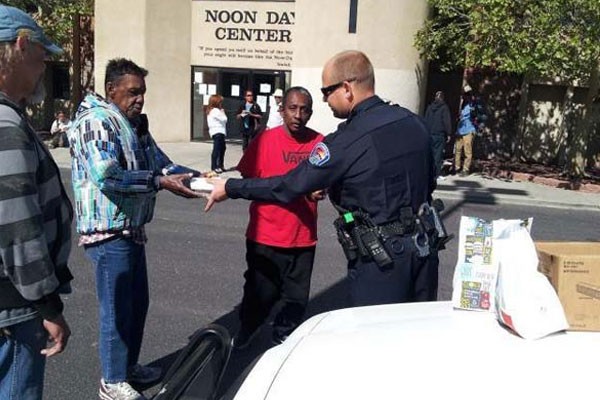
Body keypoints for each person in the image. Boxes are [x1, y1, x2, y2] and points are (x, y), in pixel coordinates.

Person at [206, 50, 440, 308]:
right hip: (425, 254)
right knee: (415, 337)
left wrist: (231, 186)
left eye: (327, 91)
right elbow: (430, 182)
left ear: (347, 88)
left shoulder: (348, 139)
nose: (325, 99)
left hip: (382, 263)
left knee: (373, 340)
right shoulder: (414, 123)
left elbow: (289, 185)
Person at [68, 58, 200, 400]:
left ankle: (127, 368)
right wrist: (159, 182)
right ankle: (111, 382)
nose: (139, 99)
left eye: (142, 92)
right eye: (132, 92)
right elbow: (107, 175)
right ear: (111, 90)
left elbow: (161, 163)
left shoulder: (133, 123)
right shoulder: (96, 122)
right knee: (116, 309)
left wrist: (199, 179)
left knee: (137, 303)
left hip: (131, 229)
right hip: (108, 233)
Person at [0, 5, 73, 400]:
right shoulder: (5, 125)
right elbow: (17, 227)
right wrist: (47, 305)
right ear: (21, 45)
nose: (45, 64)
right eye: (42, 53)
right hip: (12, 309)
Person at [233, 87, 324, 349]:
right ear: (282, 109)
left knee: (296, 297)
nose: (298, 115)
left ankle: (284, 336)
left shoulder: (320, 143)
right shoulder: (264, 140)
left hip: (302, 236)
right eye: (293, 108)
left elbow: (329, 180)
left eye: (304, 109)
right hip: (266, 234)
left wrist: (321, 189)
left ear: (310, 112)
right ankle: (248, 328)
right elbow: (247, 181)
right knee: (259, 293)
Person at [424, 91, 451, 181]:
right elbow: (446, 122)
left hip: (429, 133)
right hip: (439, 134)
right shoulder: (444, 108)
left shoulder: (429, 107)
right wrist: (449, 133)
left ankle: (428, 172)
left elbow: (425, 119)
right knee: (438, 155)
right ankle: (436, 174)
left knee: (430, 154)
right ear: (442, 98)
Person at [455, 86, 478, 176]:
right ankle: (457, 167)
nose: (464, 96)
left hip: (469, 129)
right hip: (460, 129)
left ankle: (465, 169)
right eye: (464, 94)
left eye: (466, 94)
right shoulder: (462, 104)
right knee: (457, 149)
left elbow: (476, 114)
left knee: (467, 150)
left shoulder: (472, 104)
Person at [207, 94, 227, 173]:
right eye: (220, 102)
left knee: (222, 148)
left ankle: (220, 165)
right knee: (217, 149)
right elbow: (225, 119)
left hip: (218, 132)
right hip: (218, 132)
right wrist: (223, 112)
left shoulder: (212, 110)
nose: (221, 104)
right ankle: (215, 166)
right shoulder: (215, 111)